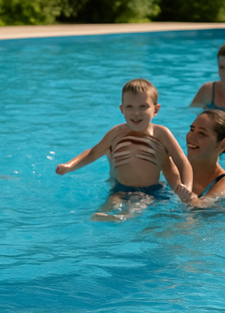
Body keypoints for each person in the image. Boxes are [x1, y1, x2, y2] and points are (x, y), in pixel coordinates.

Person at [55, 78, 194, 214]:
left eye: (143, 106)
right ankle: (109, 215)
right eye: (129, 107)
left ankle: (124, 216)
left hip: (152, 191)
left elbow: (182, 162)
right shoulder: (116, 133)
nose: (136, 113)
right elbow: (94, 152)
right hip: (120, 189)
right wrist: (69, 166)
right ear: (122, 109)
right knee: (108, 206)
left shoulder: (161, 134)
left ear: (155, 109)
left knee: (138, 207)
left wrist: (186, 188)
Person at [169, 109, 225, 204]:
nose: (190, 137)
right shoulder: (172, 166)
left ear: (222, 145)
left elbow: (200, 207)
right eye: (192, 130)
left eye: (202, 133)